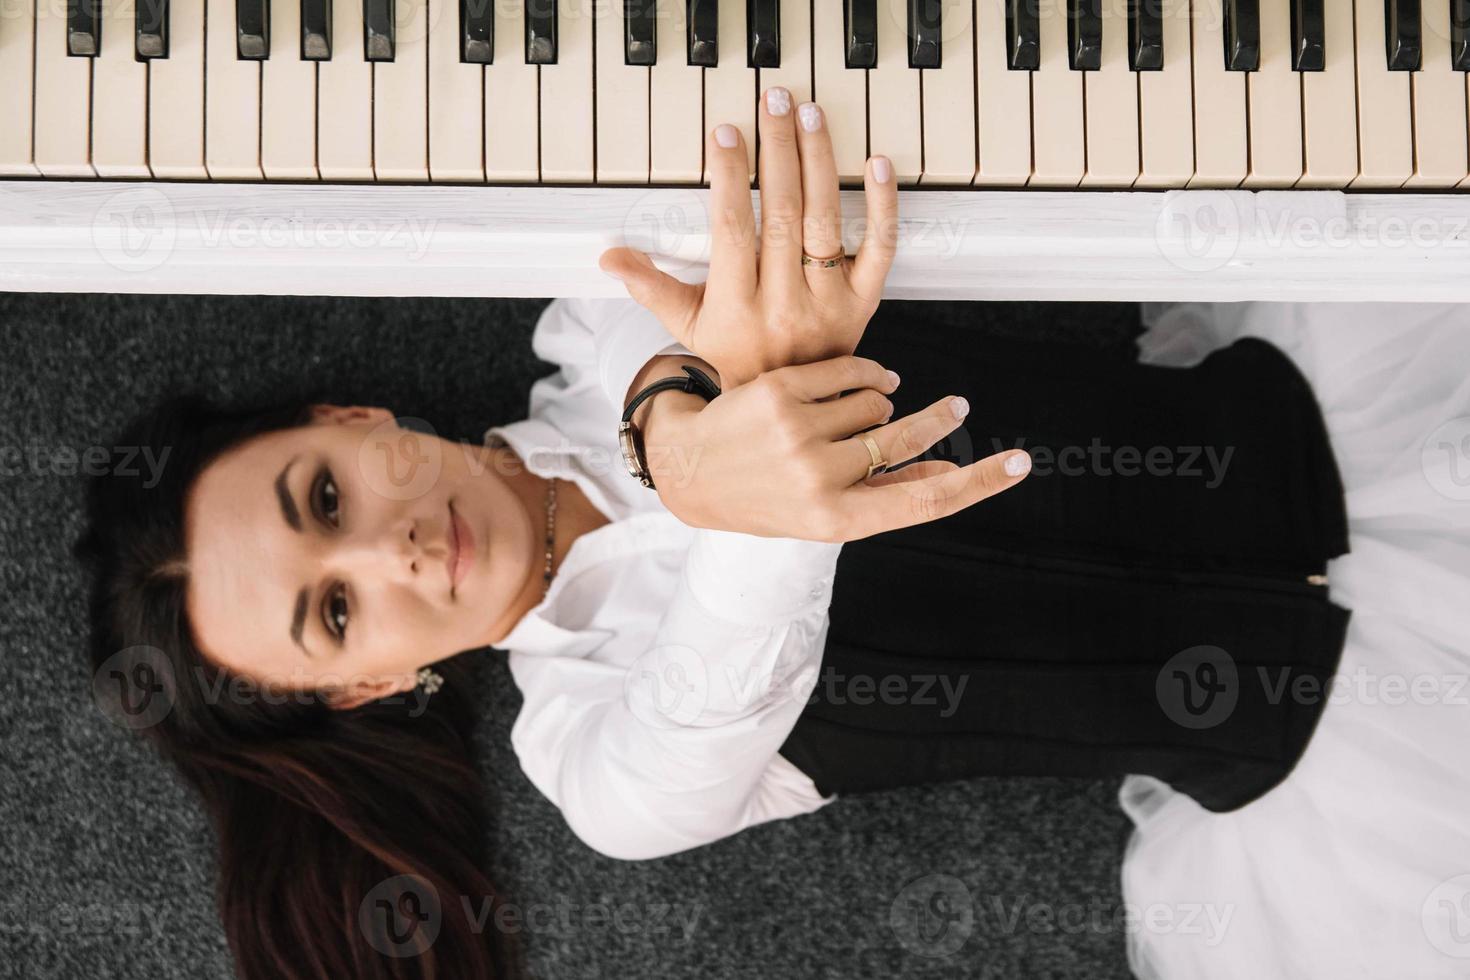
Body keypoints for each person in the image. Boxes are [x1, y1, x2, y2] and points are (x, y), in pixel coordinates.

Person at [73, 86, 1470, 980]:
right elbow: (708, 692)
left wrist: (670, 421)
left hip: (1352, 396)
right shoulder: (594, 763)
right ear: (371, 686)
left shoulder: (587, 303)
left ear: (352, 414)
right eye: (336, 614)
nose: (388, 551)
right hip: (1366, 779)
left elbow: (631, 308)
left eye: (324, 494)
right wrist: (731, 494)